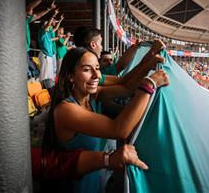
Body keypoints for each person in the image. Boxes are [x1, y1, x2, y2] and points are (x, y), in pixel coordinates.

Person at [42, 47, 169, 192]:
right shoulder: (65, 110)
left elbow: (127, 87)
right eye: (87, 70)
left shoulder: (92, 96)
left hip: (93, 183)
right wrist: (149, 85)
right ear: (71, 75)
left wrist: (148, 62)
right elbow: (119, 129)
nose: (97, 75)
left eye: (97, 68)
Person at [26, 0, 55, 78]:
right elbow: (30, 8)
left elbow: (38, 15)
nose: (31, 14)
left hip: (28, 50)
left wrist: (49, 9)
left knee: (46, 74)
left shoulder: (47, 33)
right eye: (29, 13)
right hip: (44, 55)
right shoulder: (42, 32)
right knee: (43, 75)